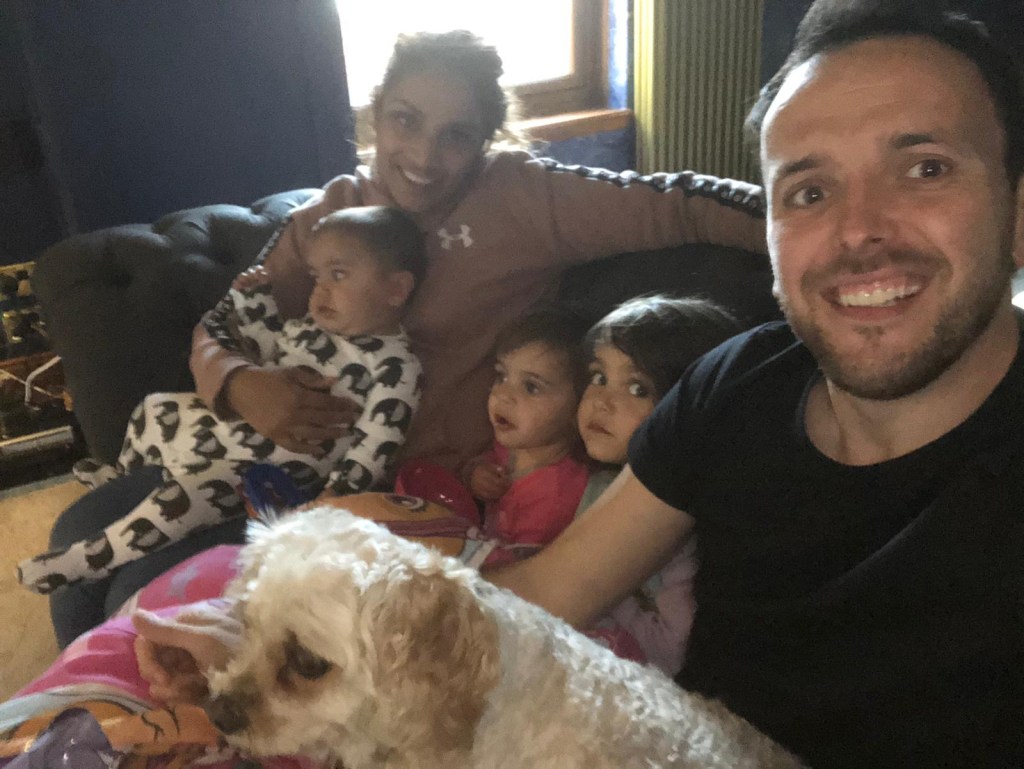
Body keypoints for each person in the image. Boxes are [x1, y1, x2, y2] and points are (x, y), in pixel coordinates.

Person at [130, 4, 1024, 767]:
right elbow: (548, 594)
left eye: (926, 169)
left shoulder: (531, 198)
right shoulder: (735, 383)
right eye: (809, 192)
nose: (860, 232)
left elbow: (671, 199)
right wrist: (270, 639)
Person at [48, 27, 766, 645]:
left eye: (456, 135)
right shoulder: (336, 212)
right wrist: (240, 384)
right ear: (375, 115)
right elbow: (226, 319)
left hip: (421, 503)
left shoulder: (527, 196)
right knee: (78, 535)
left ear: (485, 139)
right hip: (277, 467)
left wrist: (800, 222)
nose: (424, 154)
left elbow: (677, 203)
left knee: (137, 600)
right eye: (405, 120)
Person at [20, 207, 424, 594]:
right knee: (154, 408)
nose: (321, 290)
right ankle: (123, 473)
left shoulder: (395, 366)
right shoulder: (310, 328)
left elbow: (376, 444)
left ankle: (92, 557)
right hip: (226, 432)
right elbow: (265, 354)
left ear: (396, 289)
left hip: (270, 472)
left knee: (182, 501)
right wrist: (256, 303)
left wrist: (334, 498)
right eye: (317, 276)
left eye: (338, 275)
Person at [575, 295, 740, 676]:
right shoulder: (601, 482)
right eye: (599, 377)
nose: (601, 401)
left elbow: (671, 650)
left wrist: (603, 597)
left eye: (637, 389)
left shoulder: (680, 530)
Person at [463, 307, 591, 564]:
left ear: (579, 407)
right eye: (502, 376)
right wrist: (475, 474)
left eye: (531, 387)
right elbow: (485, 460)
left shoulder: (558, 496)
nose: (502, 395)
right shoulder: (514, 445)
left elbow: (525, 569)